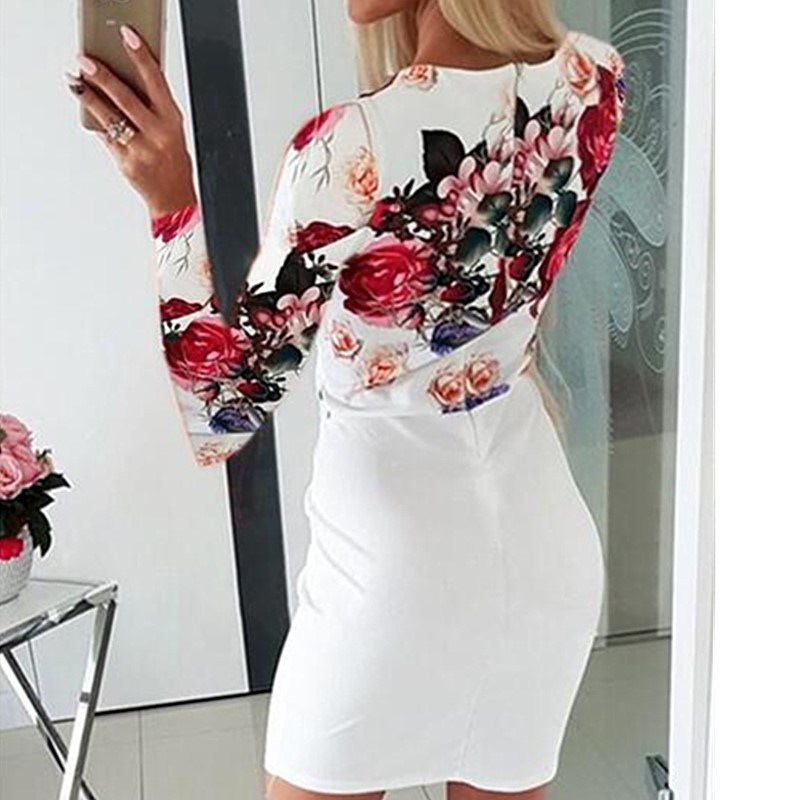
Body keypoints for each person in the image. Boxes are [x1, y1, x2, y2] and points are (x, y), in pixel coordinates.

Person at [65, 1, 626, 798]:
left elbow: (223, 411)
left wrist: (171, 202)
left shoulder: (352, 145)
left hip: (392, 569)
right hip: (543, 543)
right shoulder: (596, 77)